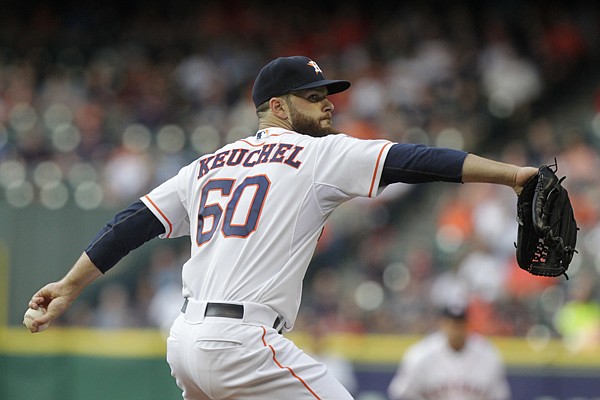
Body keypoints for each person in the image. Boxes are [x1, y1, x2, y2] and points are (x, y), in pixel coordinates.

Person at [26, 55, 536, 399]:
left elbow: (130, 224)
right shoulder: (319, 155)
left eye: (325, 94)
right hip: (241, 342)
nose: (328, 103)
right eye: (313, 96)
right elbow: (418, 159)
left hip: (184, 341)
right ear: (277, 107)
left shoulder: (209, 163)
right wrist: (511, 175)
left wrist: (70, 285)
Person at [387, 304, 511, 400]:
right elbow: (400, 394)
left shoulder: (489, 355)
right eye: (451, 323)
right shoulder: (420, 355)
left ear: (468, 324)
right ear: (442, 324)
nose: (455, 329)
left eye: (460, 323)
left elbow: (500, 396)